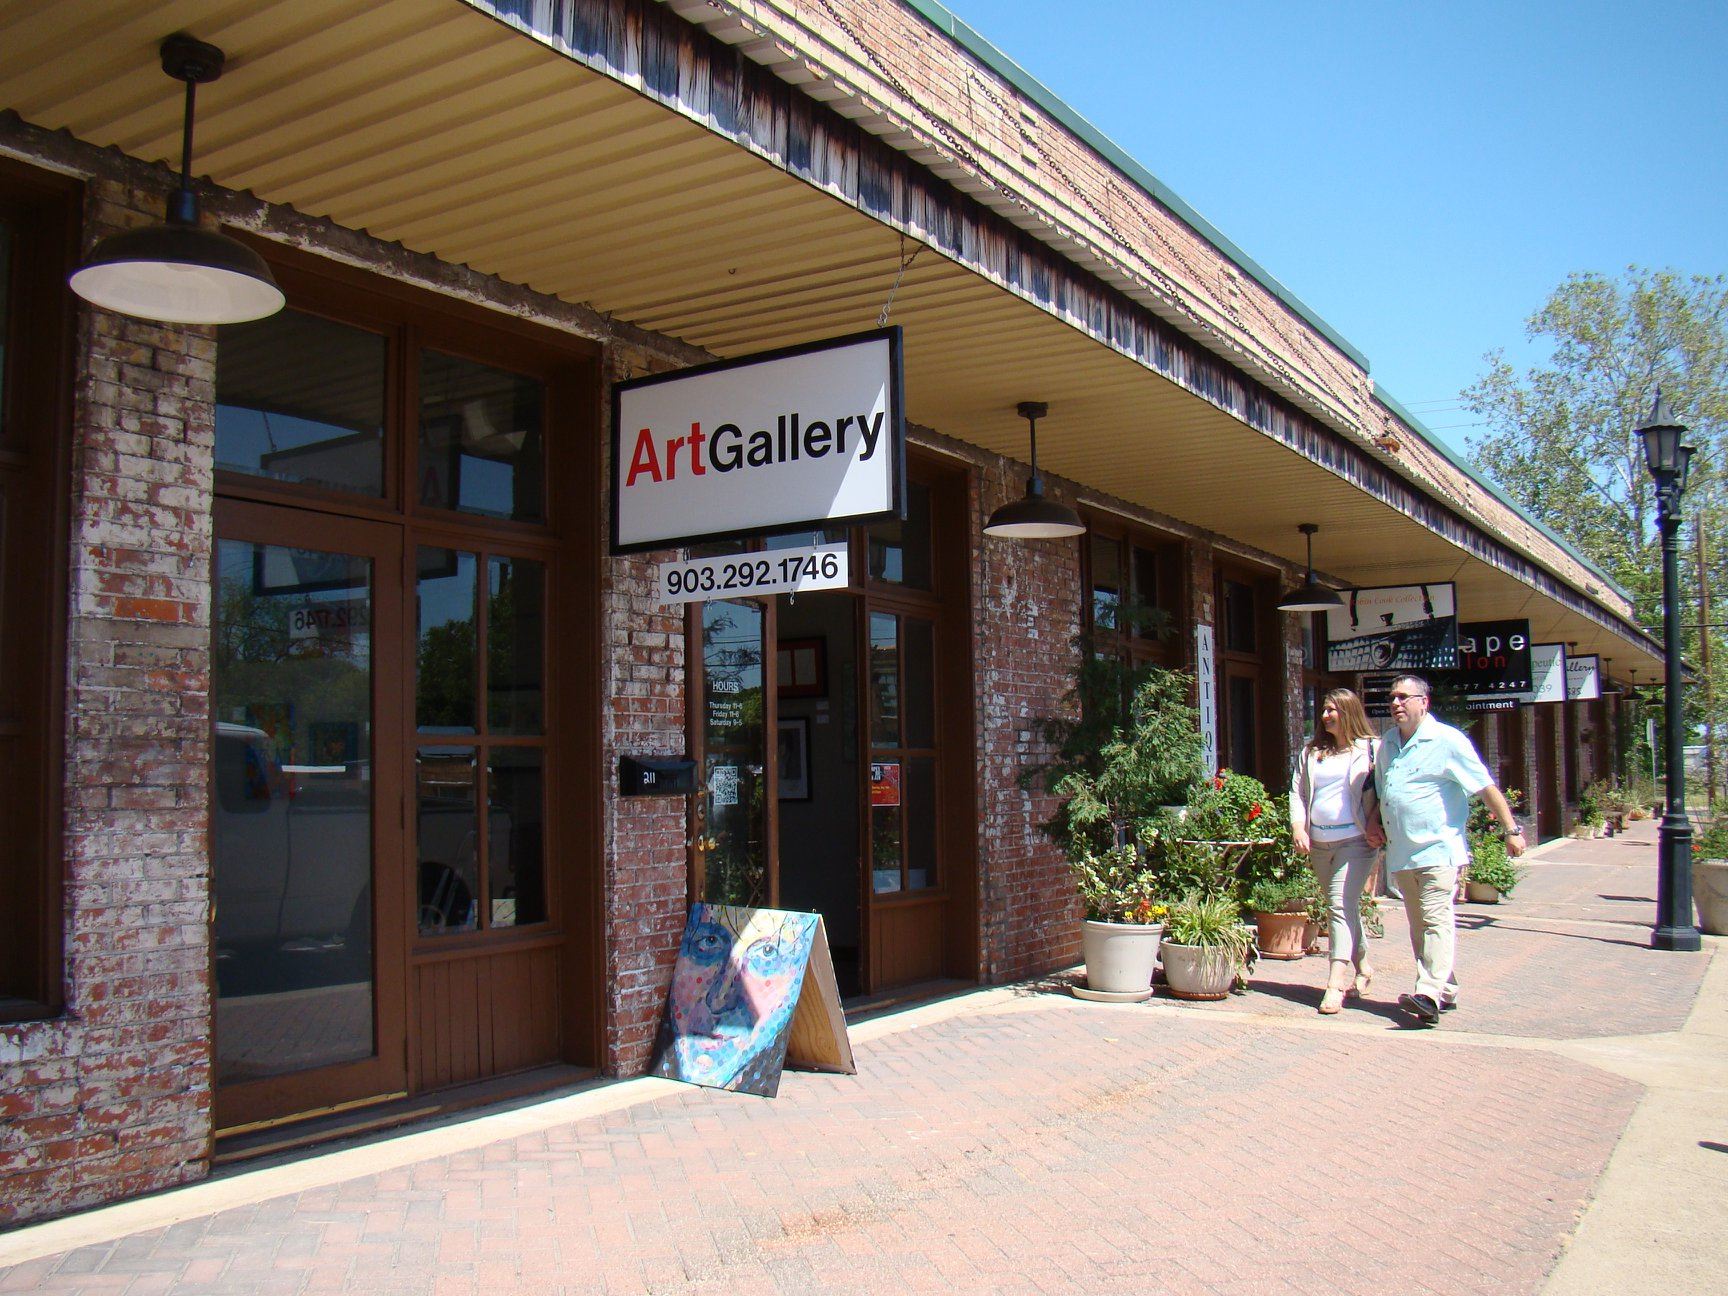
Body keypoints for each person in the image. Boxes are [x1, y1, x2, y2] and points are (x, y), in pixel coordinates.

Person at [1372, 674, 1525, 1025]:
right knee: (1419, 925)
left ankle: (1427, 993)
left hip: (1439, 848)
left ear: (1423, 702)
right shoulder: (1388, 745)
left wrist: (1511, 830)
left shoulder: (1447, 740)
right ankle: (1446, 986)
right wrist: (1372, 823)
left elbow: (1484, 786)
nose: (1395, 703)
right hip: (1402, 851)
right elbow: (1382, 793)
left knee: (1436, 917)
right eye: (1392, 698)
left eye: (1403, 697)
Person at [1290, 688, 1382, 1015]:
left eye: (1334, 710)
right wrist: (1298, 828)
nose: (1326, 715)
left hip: (1356, 842)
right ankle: (1365, 965)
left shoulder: (1371, 749)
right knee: (1344, 906)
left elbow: (1385, 793)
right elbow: (1297, 793)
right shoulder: (1311, 752)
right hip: (1319, 842)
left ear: (1349, 712)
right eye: (1325, 709)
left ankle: (1335, 982)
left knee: (1338, 905)